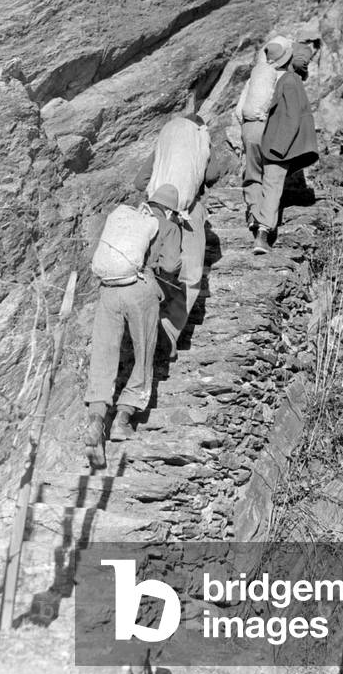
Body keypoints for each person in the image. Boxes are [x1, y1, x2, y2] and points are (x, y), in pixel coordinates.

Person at [84, 183, 182, 466]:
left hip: (109, 288)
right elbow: (172, 266)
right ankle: (123, 419)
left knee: (103, 355)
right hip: (140, 288)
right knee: (143, 354)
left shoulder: (128, 217)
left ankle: (96, 419)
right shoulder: (168, 226)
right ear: (171, 210)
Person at [135, 113, 221, 359]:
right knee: (190, 274)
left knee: (157, 268)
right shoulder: (199, 140)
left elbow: (139, 181)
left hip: (157, 213)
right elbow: (213, 174)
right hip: (190, 212)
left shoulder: (166, 142)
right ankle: (170, 331)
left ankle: (147, 328)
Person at [251, 40, 319, 255]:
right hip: (278, 145)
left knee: (271, 187)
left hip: (277, 145)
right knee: (271, 186)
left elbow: (290, 117)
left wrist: (278, 147)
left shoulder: (289, 81)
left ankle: (262, 235)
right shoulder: (293, 80)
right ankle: (262, 226)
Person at [234, 36, 291, 234]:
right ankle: (264, 230)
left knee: (253, 174)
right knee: (272, 178)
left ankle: (252, 213)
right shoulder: (284, 77)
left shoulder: (254, 76)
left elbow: (238, 110)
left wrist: (248, 130)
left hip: (249, 128)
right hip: (269, 128)